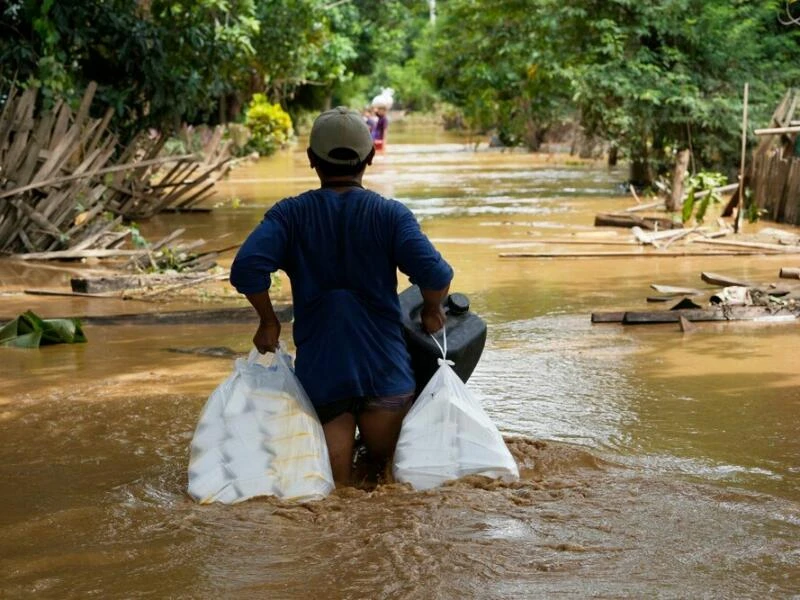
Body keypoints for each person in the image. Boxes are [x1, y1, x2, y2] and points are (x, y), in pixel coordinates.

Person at [229, 106, 453, 485]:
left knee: (335, 491)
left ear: (312, 159)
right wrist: (432, 310)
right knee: (391, 487)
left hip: (323, 378)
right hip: (385, 375)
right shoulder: (390, 215)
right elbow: (436, 275)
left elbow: (246, 268)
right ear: (370, 157)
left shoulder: (289, 216)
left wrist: (268, 321)